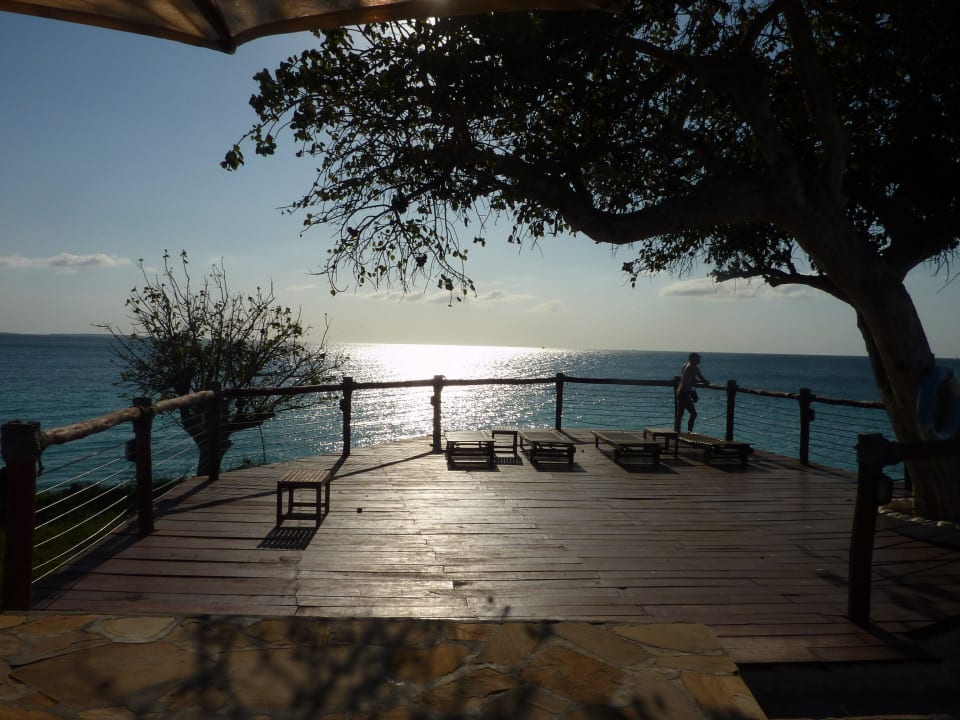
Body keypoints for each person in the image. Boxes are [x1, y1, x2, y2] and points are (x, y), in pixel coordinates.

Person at [676, 352, 709, 433]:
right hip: (685, 393)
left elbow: (688, 378)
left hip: (680, 392)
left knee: (680, 415)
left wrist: (695, 382)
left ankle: (677, 433)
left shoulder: (685, 365)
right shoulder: (694, 368)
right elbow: (702, 379)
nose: (699, 360)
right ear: (694, 359)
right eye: (698, 358)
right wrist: (706, 383)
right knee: (692, 414)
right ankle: (688, 433)